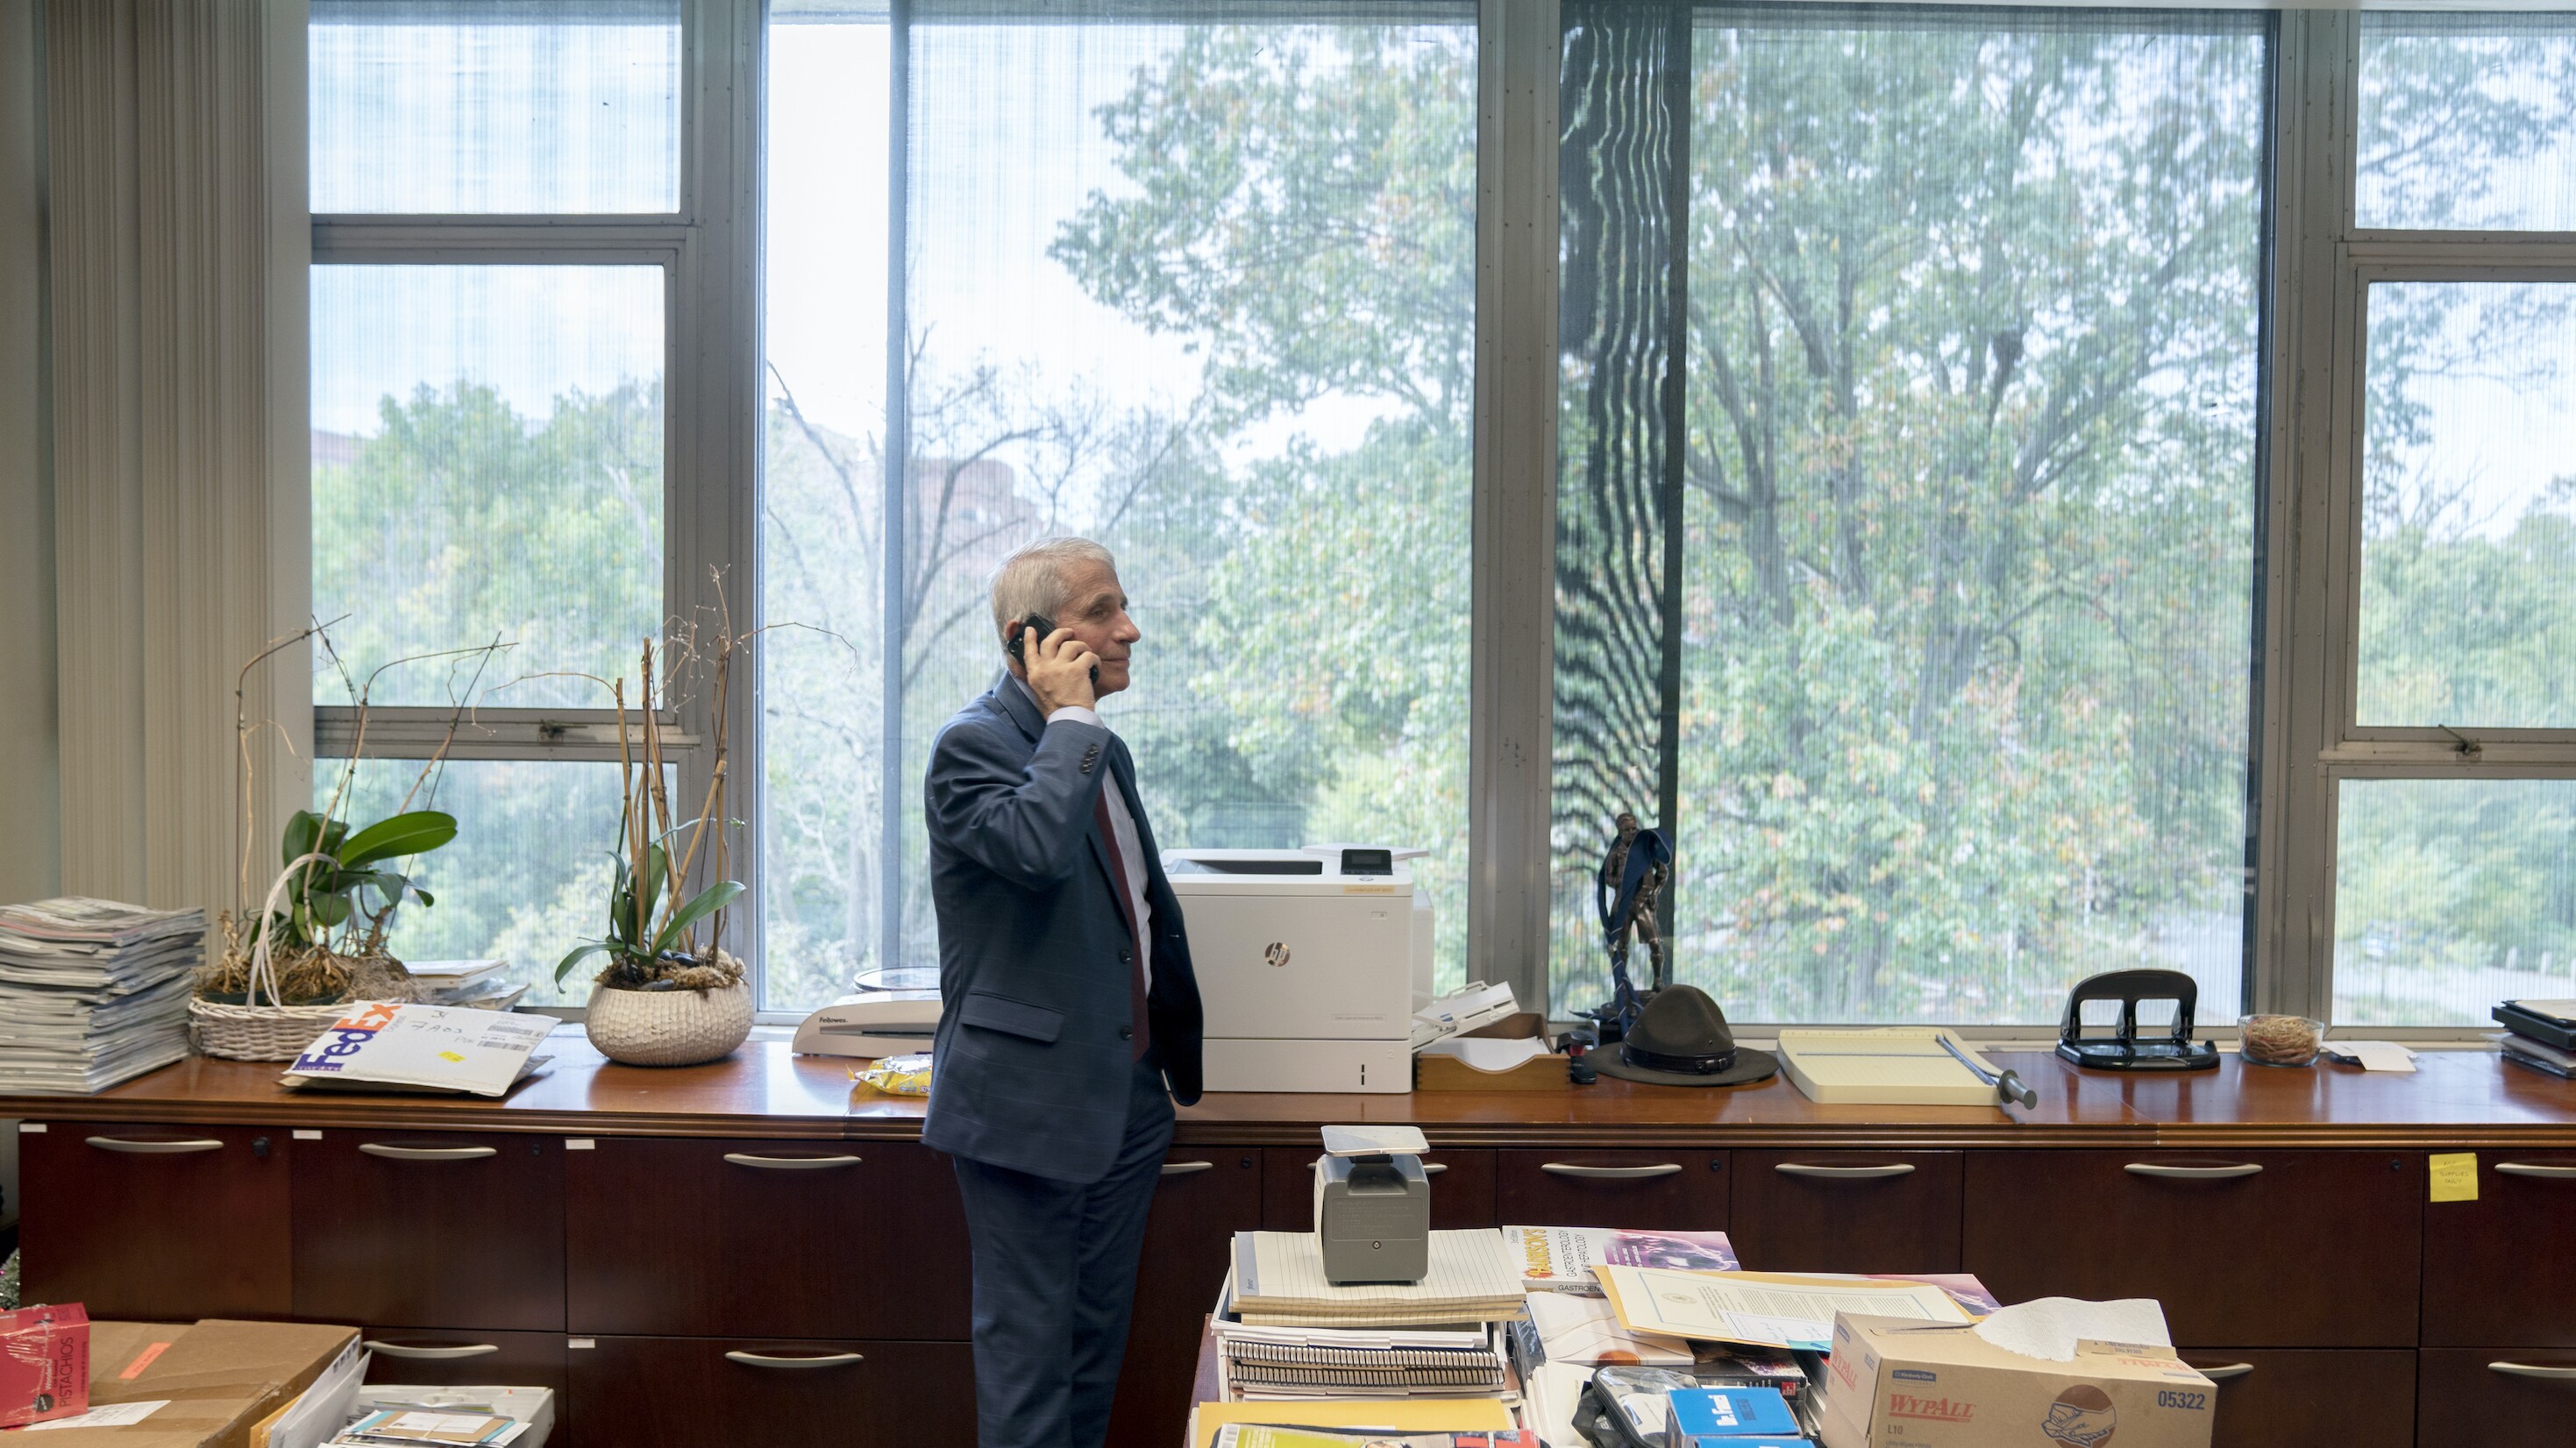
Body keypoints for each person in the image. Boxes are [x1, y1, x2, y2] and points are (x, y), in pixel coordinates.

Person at [921, 536, 1205, 1448]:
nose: (1129, 629)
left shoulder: (1096, 749)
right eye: (1100, 610)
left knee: (1091, 1352)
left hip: (1122, 1098)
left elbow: (1134, 912)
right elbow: (1038, 853)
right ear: (1029, 637)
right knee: (1029, 1368)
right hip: (1027, 1110)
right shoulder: (974, 746)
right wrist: (1073, 723)